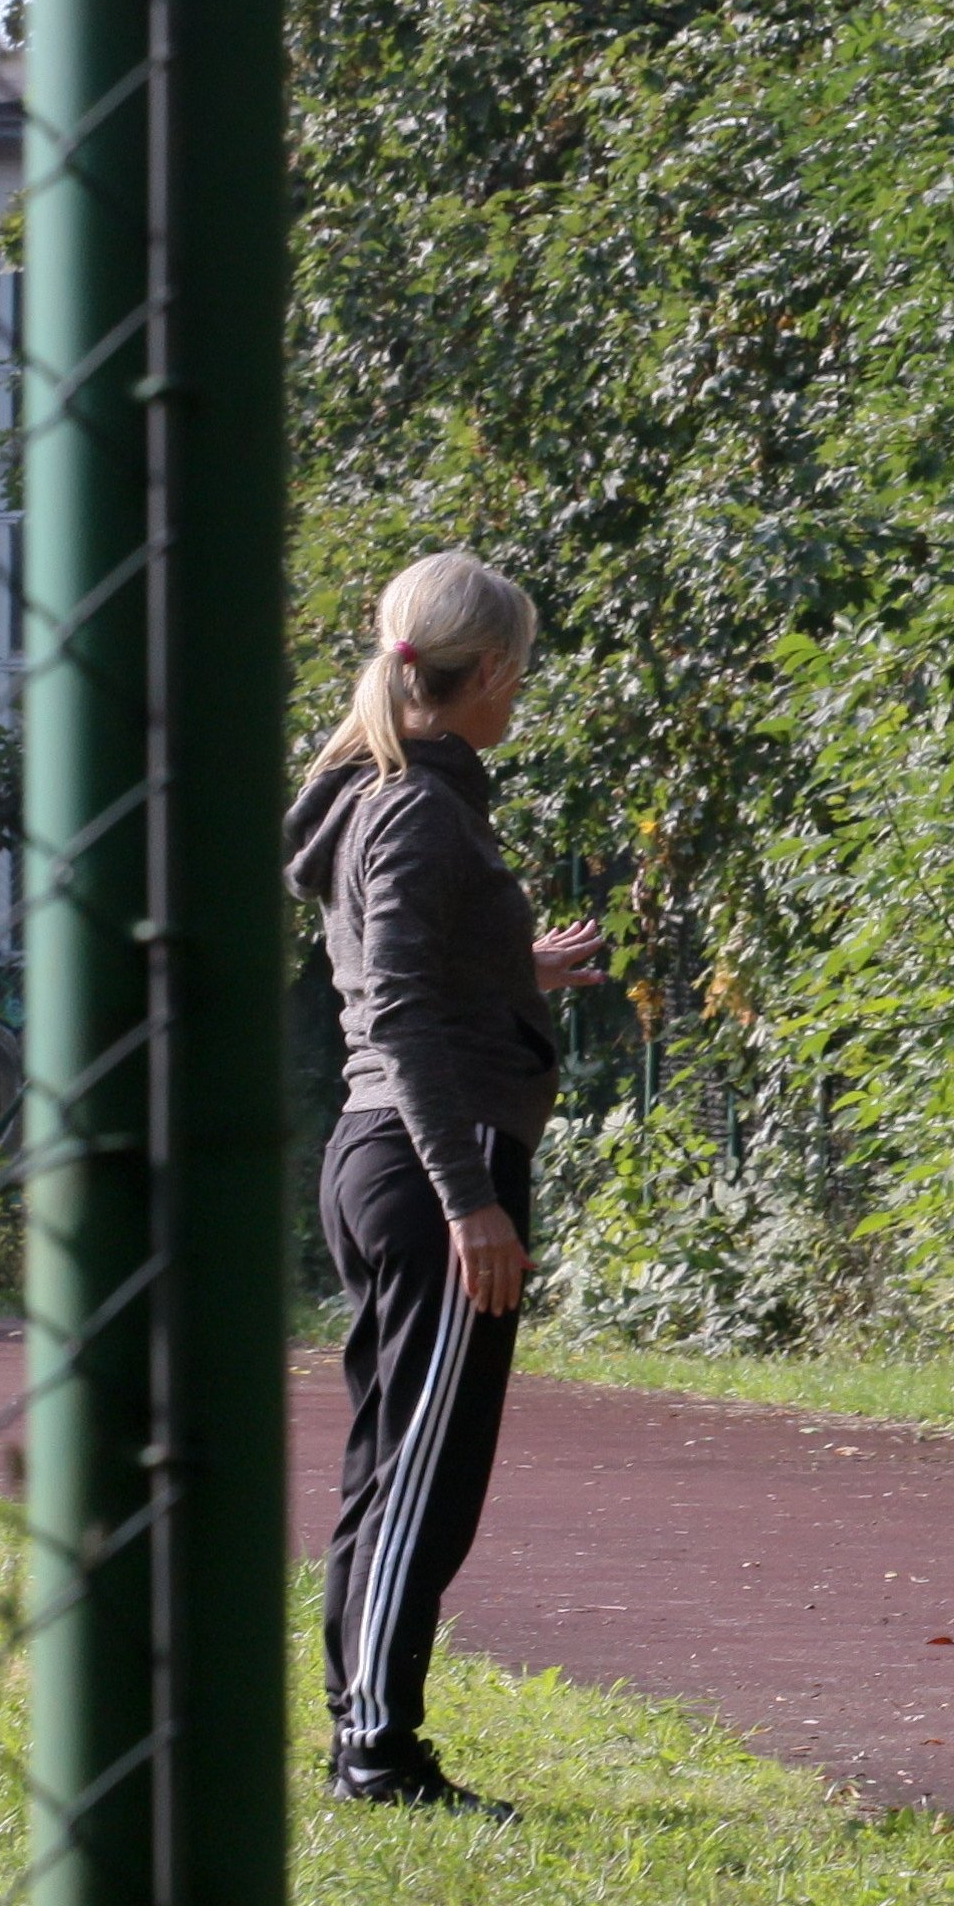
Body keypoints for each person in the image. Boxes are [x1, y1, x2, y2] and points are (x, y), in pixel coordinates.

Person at [289, 550, 605, 1814]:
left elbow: (392, 971)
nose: (519, 696)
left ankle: (373, 1731)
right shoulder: (420, 807)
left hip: (396, 1153)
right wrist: (468, 1197)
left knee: (405, 1462)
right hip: (433, 1160)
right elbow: (404, 1015)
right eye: (517, 673)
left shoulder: (378, 793)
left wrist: (511, 966)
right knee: (420, 1471)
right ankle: (376, 1750)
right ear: (490, 676)